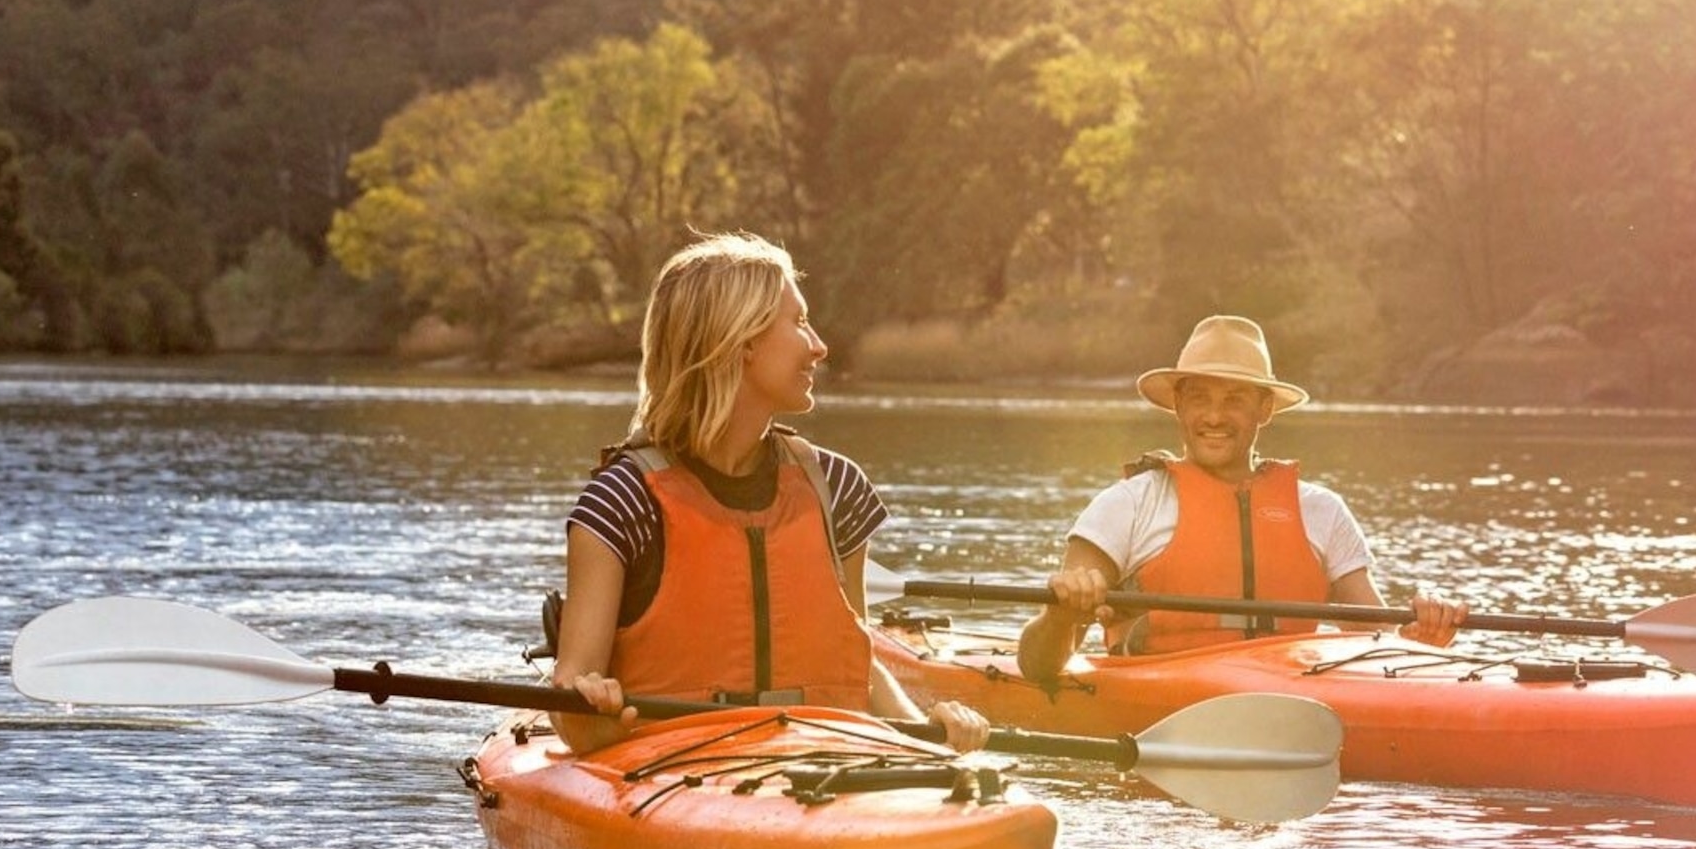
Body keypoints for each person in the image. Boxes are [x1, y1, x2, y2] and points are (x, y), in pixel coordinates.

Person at [553, 231, 989, 755]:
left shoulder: (836, 488)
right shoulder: (622, 502)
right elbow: (571, 699)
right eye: (800, 322)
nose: (820, 346)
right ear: (743, 341)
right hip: (669, 770)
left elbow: (853, 657)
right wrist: (594, 710)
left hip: (823, 760)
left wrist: (926, 734)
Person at [1016, 313, 1465, 690]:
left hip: (1289, 703)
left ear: (1264, 409)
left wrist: (1421, 635)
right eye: (1199, 398)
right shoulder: (1126, 507)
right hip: (1157, 700)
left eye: (1234, 400)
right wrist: (1059, 618)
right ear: (1177, 404)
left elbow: (1382, 645)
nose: (1214, 416)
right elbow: (1038, 668)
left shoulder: (1322, 512)